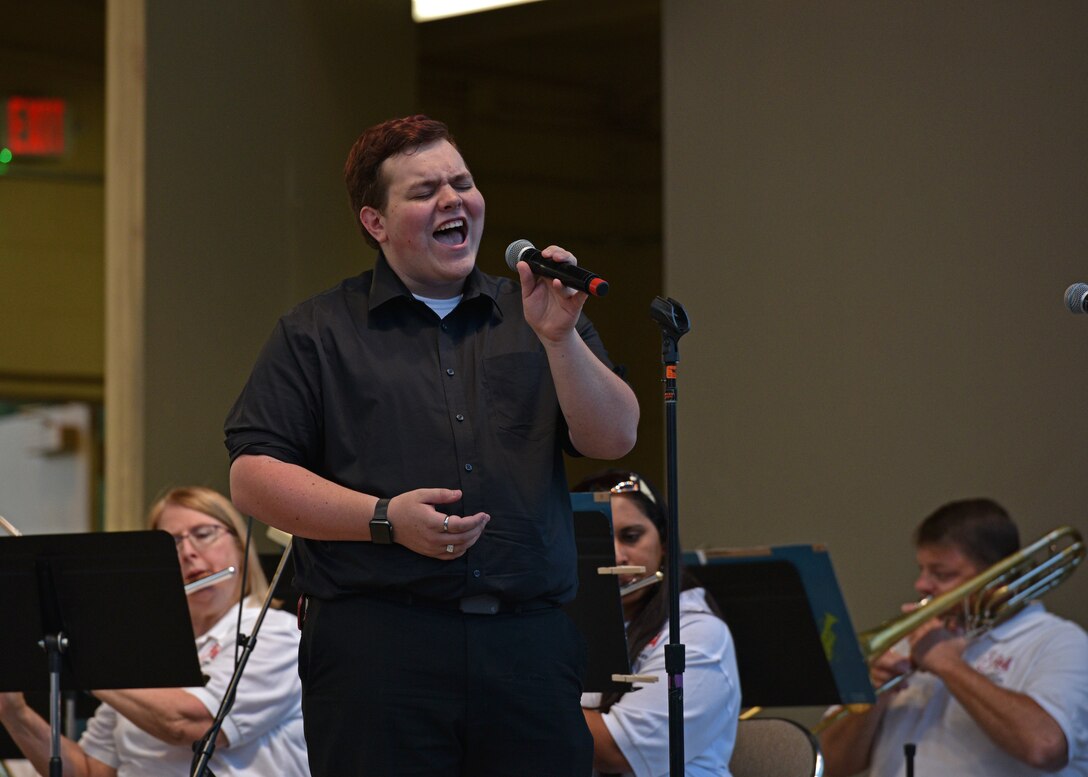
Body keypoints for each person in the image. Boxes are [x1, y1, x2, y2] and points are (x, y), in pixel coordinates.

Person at [224, 114, 639, 776]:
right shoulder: (316, 332)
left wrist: (561, 340)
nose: (452, 200)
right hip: (378, 648)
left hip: (527, 643)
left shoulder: (536, 313)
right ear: (375, 223)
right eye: (424, 191)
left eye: (462, 182)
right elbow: (253, 476)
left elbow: (614, 434)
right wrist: (384, 518)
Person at [0, 486, 309, 777]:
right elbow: (88, 770)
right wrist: (15, 714)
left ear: (241, 548)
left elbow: (189, 723)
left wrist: (84, 661)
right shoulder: (144, 653)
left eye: (204, 534)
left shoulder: (275, 635)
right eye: (172, 542)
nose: (188, 552)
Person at [819, 498, 1088, 777]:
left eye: (941, 574)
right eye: (921, 569)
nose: (921, 585)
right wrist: (873, 699)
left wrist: (948, 665)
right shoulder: (910, 640)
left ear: (999, 577)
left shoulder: (1060, 641)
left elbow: (1045, 748)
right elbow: (832, 766)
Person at [572, 469, 740, 777]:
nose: (616, 555)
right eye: (598, 538)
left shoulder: (700, 634)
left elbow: (616, 753)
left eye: (631, 536)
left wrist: (516, 690)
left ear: (663, 543)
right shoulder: (563, 625)